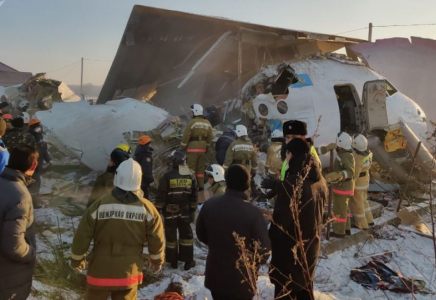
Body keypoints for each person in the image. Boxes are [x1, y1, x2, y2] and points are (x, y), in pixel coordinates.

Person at [70, 158, 165, 300]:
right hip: (128, 272)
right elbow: (156, 238)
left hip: (99, 270)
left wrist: (76, 260)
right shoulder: (148, 209)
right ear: (139, 180)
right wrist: (157, 261)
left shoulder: (100, 204)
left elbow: (82, 235)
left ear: (117, 177)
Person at [264, 138, 327, 299]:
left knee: (285, 294)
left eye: (287, 154)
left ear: (291, 154)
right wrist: (278, 186)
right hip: (311, 248)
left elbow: (280, 226)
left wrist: (266, 240)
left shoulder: (293, 184)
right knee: (305, 291)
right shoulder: (320, 181)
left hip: (289, 256)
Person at [196, 164, 271, 300]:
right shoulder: (253, 213)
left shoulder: (210, 205)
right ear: (247, 186)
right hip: (242, 279)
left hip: (215, 277)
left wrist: (219, 245)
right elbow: (264, 251)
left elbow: (201, 234)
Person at [0, 145, 39, 300]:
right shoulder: (20, 196)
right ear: (34, 165)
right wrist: (31, 253)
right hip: (8, 277)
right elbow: (14, 246)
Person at [154, 150, 198, 270]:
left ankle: (172, 261)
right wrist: (193, 210)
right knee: (186, 236)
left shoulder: (167, 176)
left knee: (171, 237)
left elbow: (161, 196)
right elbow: (194, 196)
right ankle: (188, 261)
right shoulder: (191, 175)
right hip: (185, 212)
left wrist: (157, 211)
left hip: (170, 212)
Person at [323, 132, 355, 238]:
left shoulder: (345, 156)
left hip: (342, 188)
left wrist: (338, 175)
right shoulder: (345, 154)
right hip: (345, 188)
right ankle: (346, 229)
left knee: (339, 211)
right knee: (345, 210)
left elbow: (350, 172)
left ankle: (339, 232)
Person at [180, 104, 213, 190]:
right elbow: (210, 137)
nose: (191, 114)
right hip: (203, 149)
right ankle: (201, 186)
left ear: (195, 112)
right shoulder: (207, 123)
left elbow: (186, 135)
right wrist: (207, 146)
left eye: (192, 112)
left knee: (190, 168)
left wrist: (182, 147)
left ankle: (190, 187)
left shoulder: (192, 122)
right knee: (200, 170)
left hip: (192, 149)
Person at [351, 134, 374, 228]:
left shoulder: (357, 157)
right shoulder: (369, 153)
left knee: (358, 204)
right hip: (365, 181)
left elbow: (355, 173)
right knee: (364, 201)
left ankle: (362, 224)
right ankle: (370, 220)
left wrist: (351, 184)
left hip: (358, 183)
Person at [27, 118, 52, 197]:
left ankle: (34, 196)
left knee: (37, 179)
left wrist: (48, 159)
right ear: (32, 127)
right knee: (34, 179)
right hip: (31, 161)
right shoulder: (28, 136)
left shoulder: (39, 135)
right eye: (36, 126)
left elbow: (43, 149)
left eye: (39, 125)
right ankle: (32, 197)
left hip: (39, 161)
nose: (38, 127)